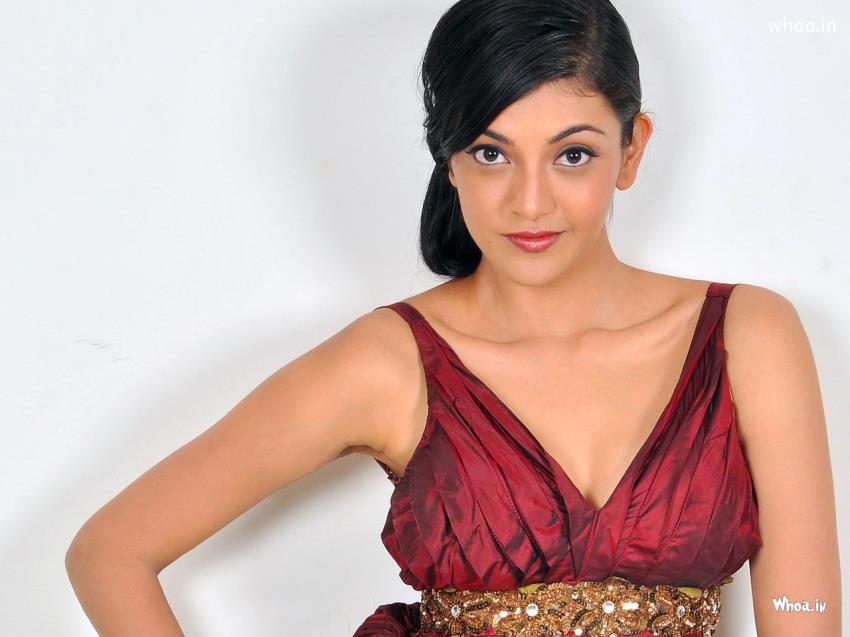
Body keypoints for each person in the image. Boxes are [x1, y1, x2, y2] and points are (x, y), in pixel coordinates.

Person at [65, 1, 841, 636]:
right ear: (448, 159)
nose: (529, 202)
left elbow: (805, 617)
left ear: (631, 151)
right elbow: (111, 552)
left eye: (572, 154)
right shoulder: (389, 361)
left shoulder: (747, 335)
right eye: (491, 153)